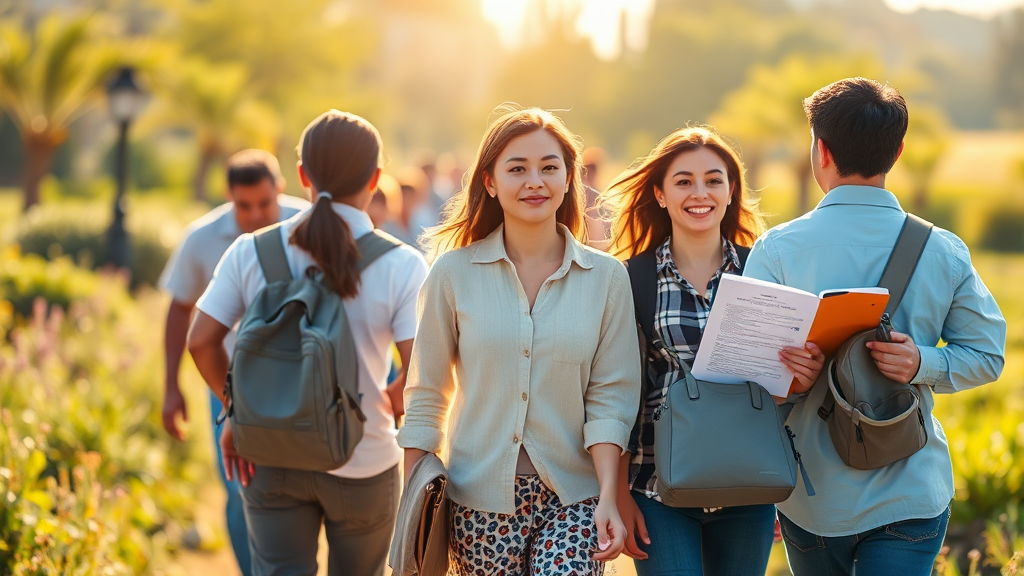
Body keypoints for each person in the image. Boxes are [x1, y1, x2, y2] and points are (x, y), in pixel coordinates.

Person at [743, 78, 1006, 576]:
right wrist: (922, 362)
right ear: (898, 151)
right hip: (911, 487)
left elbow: (747, 378)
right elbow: (988, 356)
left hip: (813, 497)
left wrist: (793, 378)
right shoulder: (942, 249)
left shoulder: (778, 249)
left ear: (821, 151)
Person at [398, 106, 641, 576]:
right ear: (489, 182)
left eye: (549, 168)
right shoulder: (451, 274)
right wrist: (415, 514)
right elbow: (426, 396)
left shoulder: (607, 278)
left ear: (569, 179)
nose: (535, 181)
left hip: (576, 498)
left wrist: (610, 496)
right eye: (517, 169)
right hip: (476, 501)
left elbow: (611, 398)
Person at [186, 110, 428, 576]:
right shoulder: (403, 265)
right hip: (364, 458)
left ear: (301, 175)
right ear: (375, 178)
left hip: (269, 452)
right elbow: (424, 373)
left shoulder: (250, 251)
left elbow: (200, 341)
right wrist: (385, 403)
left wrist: (238, 410)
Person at [601, 126, 825, 576]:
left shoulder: (764, 270)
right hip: (659, 488)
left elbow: (780, 388)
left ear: (730, 191)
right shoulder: (631, 278)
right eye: (683, 181)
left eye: (713, 180)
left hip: (749, 485)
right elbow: (621, 393)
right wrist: (620, 494)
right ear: (660, 194)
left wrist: (805, 373)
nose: (699, 193)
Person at [159, 148, 309, 576]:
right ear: (228, 196)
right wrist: (170, 387)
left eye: (265, 203)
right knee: (240, 490)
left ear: (281, 188)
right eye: (244, 206)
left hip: (304, 382)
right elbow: (179, 311)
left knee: (305, 490)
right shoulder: (201, 239)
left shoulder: (309, 226)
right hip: (229, 384)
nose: (256, 215)